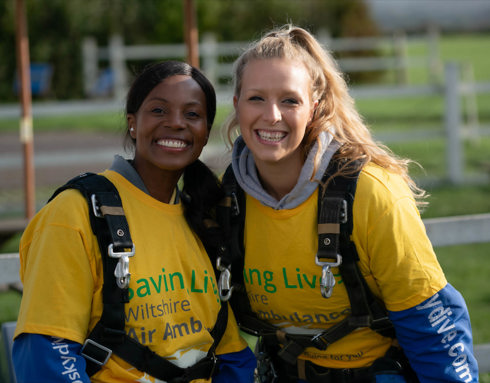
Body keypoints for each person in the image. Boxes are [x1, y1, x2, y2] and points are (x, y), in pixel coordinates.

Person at [220, 25, 478, 382]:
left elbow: (432, 326)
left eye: (290, 100)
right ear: (236, 105)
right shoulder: (228, 199)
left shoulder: (370, 193)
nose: (272, 115)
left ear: (314, 107)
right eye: (256, 98)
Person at [12, 60, 256, 383]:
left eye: (192, 114)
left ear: (205, 132)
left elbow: (230, 354)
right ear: (132, 122)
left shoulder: (204, 220)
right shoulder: (75, 213)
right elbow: (46, 353)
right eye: (158, 111)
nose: (176, 123)